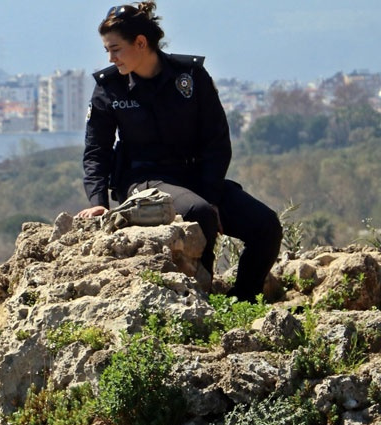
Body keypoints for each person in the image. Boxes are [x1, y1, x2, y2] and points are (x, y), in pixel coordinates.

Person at [76, 2, 282, 303]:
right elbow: (97, 150)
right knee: (199, 213)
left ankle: (243, 302)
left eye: (116, 48)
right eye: (108, 50)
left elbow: (217, 140)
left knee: (265, 225)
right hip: (144, 181)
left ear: (141, 43)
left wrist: (212, 194)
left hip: (196, 177)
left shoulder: (190, 77)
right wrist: (98, 201)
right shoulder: (109, 88)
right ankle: (203, 302)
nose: (111, 57)